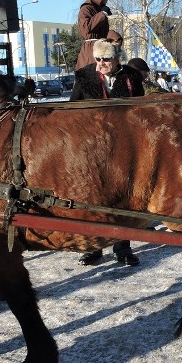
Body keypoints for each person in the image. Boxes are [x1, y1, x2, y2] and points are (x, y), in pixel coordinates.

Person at [71, 39, 145, 266]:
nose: (102, 63)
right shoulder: (84, 76)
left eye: (107, 59)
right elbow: (72, 110)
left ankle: (122, 248)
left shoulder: (131, 76)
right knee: (93, 200)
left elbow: (142, 108)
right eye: (99, 59)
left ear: (116, 58)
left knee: (122, 200)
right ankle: (94, 248)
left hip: (124, 146)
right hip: (93, 148)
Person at [74, 0, 112, 71]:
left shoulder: (98, 9)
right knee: (91, 76)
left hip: (101, 47)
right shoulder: (86, 9)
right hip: (91, 49)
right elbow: (86, 28)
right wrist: (102, 14)